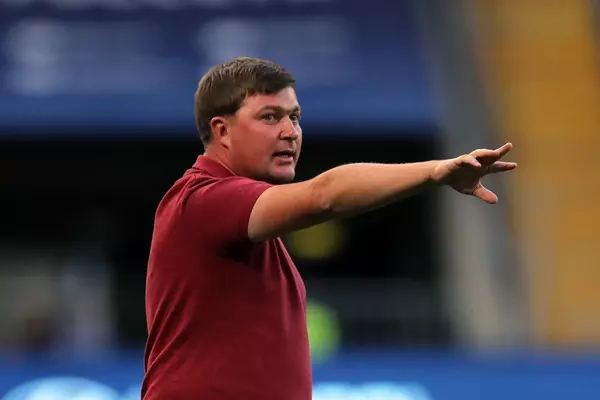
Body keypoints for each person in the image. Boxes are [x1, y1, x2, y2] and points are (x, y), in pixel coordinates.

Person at [141, 57, 516, 400]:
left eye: (295, 117)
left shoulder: (242, 219)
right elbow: (325, 196)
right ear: (222, 131)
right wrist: (435, 172)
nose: (290, 132)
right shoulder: (203, 200)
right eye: (270, 117)